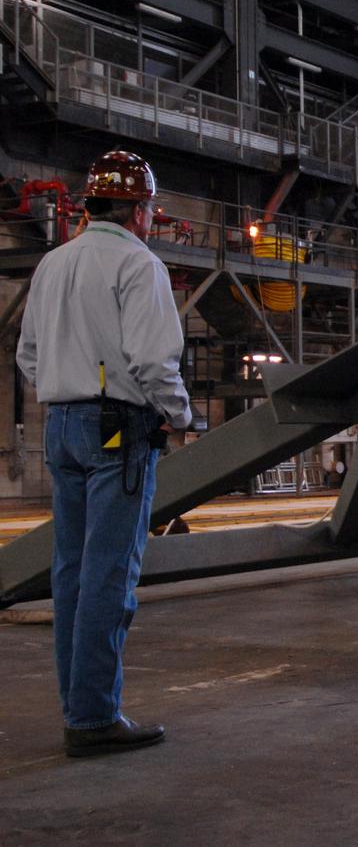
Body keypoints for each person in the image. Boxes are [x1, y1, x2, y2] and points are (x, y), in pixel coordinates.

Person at [17, 150, 191, 757]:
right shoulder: (138, 264)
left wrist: (66, 392)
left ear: (91, 204)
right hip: (116, 428)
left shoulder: (53, 263)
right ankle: (92, 718)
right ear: (139, 209)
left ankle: (79, 706)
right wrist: (178, 414)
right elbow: (152, 360)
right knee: (108, 574)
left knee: (70, 571)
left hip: (60, 425)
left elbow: (28, 356)